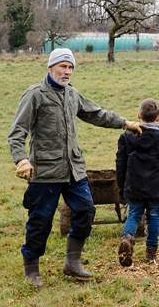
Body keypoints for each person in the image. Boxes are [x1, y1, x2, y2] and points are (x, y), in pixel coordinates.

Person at [8, 48, 142, 287]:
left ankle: (72, 262)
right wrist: (21, 160)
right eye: (63, 66)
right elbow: (17, 132)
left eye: (70, 67)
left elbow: (96, 114)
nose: (67, 71)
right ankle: (31, 269)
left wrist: (125, 123)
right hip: (45, 172)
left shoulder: (72, 95)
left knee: (86, 211)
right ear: (50, 68)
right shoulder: (35, 95)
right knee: (40, 221)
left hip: (74, 169)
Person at [115, 98, 159, 267]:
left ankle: (127, 238)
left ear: (138, 115)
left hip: (134, 184)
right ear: (158, 118)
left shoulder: (127, 137)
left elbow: (120, 164)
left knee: (134, 213)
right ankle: (151, 253)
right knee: (154, 216)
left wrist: (120, 186)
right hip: (155, 186)